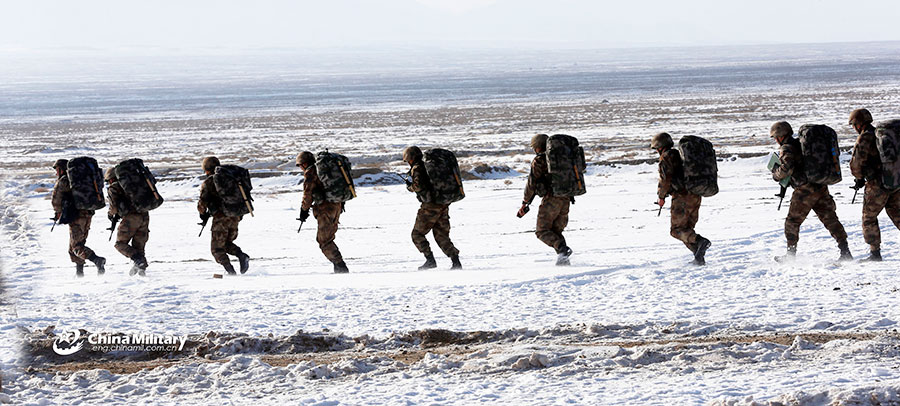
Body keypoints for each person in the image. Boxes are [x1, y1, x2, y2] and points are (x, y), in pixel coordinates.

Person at [769, 121, 852, 262]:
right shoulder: (800, 144)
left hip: (804, 190)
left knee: (792, 222)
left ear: (780, 136)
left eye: (775, 137)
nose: (776, 140)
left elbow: (786, 169)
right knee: (830, 218)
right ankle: (845, 251)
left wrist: (775, 173)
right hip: (820, 186)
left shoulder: (787, 148)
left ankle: (790, 256)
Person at [651, 132, 711, 265]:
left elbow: (665, 180)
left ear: (660, 147)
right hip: (695, 194)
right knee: (687, 229)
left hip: (682, 197)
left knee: (676, 230)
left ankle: (701, 242)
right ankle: (699, 258)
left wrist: (661, 197)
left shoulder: (666, 158)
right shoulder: (681, 155)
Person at [849, 108, 900, 261]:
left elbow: (856, 165)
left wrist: (859, 177)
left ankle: (875, 253)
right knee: (897, 214)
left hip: (877, 185)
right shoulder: (881, 135)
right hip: (894, 180)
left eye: (853, 125)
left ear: (858, 124)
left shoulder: (865, 138)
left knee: (869, 217)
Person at [517, 134, 573, 266]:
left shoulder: (539, 161)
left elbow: (532, 184)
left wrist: (525, 203)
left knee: (542, 231)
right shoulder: (561, 158)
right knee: (556, 232)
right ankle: (564, 262)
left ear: (537, 147)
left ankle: (563, 250)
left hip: (551, 199)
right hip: (566, 198)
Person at [404, 146, 462, 270]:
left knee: (417, 234)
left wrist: (410, 187)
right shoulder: (428, 165)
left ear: (411, 158)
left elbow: (418, 186)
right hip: (442, 204)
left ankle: (430, 260)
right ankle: (456, 262)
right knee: (441, 235)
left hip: (430, 206)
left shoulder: (418, 167)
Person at [51, 159, 105, 277]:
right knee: (76, 244)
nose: (56, 173)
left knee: (76, 246)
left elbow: (56, 199)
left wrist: (57, 211)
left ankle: (97, 260)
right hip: (88, 213)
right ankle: (79, 273)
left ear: (62, 169)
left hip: (76, 216)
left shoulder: (64, 180)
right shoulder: (81, 180)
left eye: (57, 170)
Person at [297, 151, 349, 273]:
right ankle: (339, 266)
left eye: (299, 165)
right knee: (327, 238)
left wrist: (303, 210)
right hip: (336, 205)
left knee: (324, 241)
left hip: (325, 209)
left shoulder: (311, 172)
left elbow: (307, 194)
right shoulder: (324, 171)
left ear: (304, 164)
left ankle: (340, 267)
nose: (300, 168)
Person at [198, 156, 250, 275]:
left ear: (206, 169)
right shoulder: (229, 178)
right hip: (235, 216)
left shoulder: (209, 182)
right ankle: (242, 256)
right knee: (226, 244)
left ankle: (230, 272)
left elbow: (202, 204)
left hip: (221, 218)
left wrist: (202, 214)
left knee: (216, 249)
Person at [105, 167, 150, 276]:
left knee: (120, 244)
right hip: (144, 215)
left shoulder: (114, 187)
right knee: (139, 246)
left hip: (130, 218)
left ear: (111, 179)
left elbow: (113, 208)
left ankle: (138, 261)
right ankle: (141, 272)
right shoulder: (135, 184)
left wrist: (110, 215)